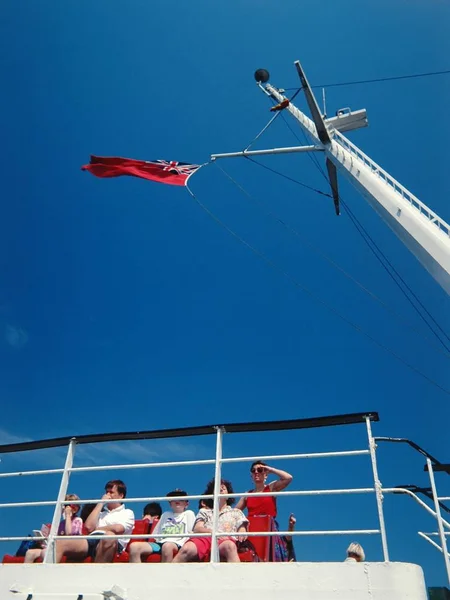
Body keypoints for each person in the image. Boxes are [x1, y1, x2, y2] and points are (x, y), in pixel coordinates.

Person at [55, 480, 135, 563]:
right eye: (106, 492)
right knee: (61, 542)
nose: (107, 495)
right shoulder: (100, 513)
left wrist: (97, 528)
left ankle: (97, 574)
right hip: (91, 539)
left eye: (111, 492)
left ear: (121, 495)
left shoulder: (127, 512)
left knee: (109, 536)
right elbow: (89, 527)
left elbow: (118, 529)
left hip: (112, 543)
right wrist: (100, 503)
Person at [173, 478, 248, 563]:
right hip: (205, 538)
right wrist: (213, 532)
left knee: (230, 546)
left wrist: (242, 531)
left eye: (224, 488)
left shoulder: (236, 512)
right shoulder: (204, 512)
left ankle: (237, 576)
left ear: (228, 495)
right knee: (187, 549)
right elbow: (197, 528)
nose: (221, 488)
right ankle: (168, 575)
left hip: (225, 539)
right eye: (217, 488)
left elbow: (242, 527)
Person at [236, 461, 293, 562]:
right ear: (251, 476)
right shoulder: (247, 495)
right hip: (252, 529)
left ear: (265, 474)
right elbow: (235, 512)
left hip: (269, 529)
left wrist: (270, 470)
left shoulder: (271, 488)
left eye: (260, 470)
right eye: (254, 471)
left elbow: (288, 478)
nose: (256, 472)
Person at [130, 490, 195, 563]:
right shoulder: (165, 515)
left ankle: (165, 574)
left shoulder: (189, 514)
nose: (177, 500)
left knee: (167, 547)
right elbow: (155, 535)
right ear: (170, 503)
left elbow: (192, 533)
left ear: (187, 504)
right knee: (134, 547)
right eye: (174, 498)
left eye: (181, 498)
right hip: (160, 544)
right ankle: (136, 573)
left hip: (178, 544)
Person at [24, 494, 83, 563]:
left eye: (69, 506)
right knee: (30, 553)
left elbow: (69, 533)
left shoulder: (78, 520)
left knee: (45, 552)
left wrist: (68, 516)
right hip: (57, 546)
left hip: (69, 548)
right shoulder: (61, 523)